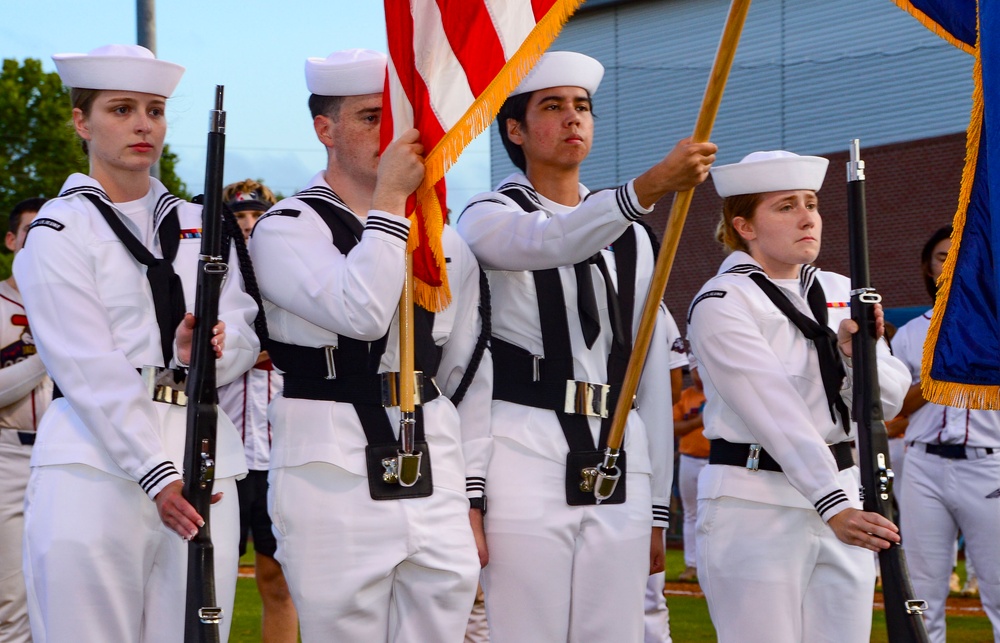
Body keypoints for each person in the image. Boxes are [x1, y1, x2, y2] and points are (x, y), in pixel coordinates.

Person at [456, 51, 717, 642]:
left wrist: (656, 506)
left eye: (583, 107)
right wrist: (648, 187)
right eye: (553, 107)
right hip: (523, 448)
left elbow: (648, 372)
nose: (573, 118)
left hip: (618, 454)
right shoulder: (485, 217)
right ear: (515, 132)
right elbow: (548, 242)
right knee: (527, 631)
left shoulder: (637, 239)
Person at [14, 44, 261, 642]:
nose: (143, 124)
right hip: (96, 466)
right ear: (81, 121)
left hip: (202, 456)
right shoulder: (56, 231)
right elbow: (85, 364)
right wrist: (154, 470)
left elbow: (246, 327)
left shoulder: (205, 225)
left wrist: (205, 354)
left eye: (154, 109)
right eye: (121, 109)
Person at [248, 49, 491, 642]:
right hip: (332, 471)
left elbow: (460, 366)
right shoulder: (287, 227)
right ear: (323, 129)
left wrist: (472, 487)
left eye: (398, 117)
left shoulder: (445, 240)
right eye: (370, 117)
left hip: (432, 458)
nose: (392, 133)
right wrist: (389, 201)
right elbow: (359, 311)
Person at [686, 150, 911, 642]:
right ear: (744, 225)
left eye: (811, 202)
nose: (807, 216)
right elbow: (772, 409)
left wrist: (859, 356)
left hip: (846, 494)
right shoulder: (723, 300)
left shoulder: (840, 290)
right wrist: (834, 505)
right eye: (785, 206)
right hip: (756, 503)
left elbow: (888, 401)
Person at [892, 224, 1000, 643]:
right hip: (923, 463)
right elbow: (894, 407)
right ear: (928, 267)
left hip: (988, 464)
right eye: (941, 256)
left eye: (961, 254)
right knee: (922, 589)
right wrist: (939, 373)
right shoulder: (911, 333)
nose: (951, 262)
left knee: (996, 584)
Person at [217, 179, 297, 643]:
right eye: (238, 218)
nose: (248, 226)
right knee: (208, 580)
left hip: (276, 451)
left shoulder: (289, 278)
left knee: (278, 580)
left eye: (255, 216)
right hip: (221, 449)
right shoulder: (208, 281)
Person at [0, 198, 52, 643]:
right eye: (30, 232)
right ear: (12, 240)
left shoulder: (77, 304)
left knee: (62, 590)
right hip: (8, 456)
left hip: (67, 456)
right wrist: (49, 354)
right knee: (12, 599)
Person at [673, 357, 707, 584]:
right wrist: (698, 421)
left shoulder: (719, 392)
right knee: (691, 514)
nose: (695, 374)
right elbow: (674, 427)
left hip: (715, 461)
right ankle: (692, 565)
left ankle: (708, 566)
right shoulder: (685, 396)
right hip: (689, 458)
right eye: (693, 369)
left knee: (711, 517)